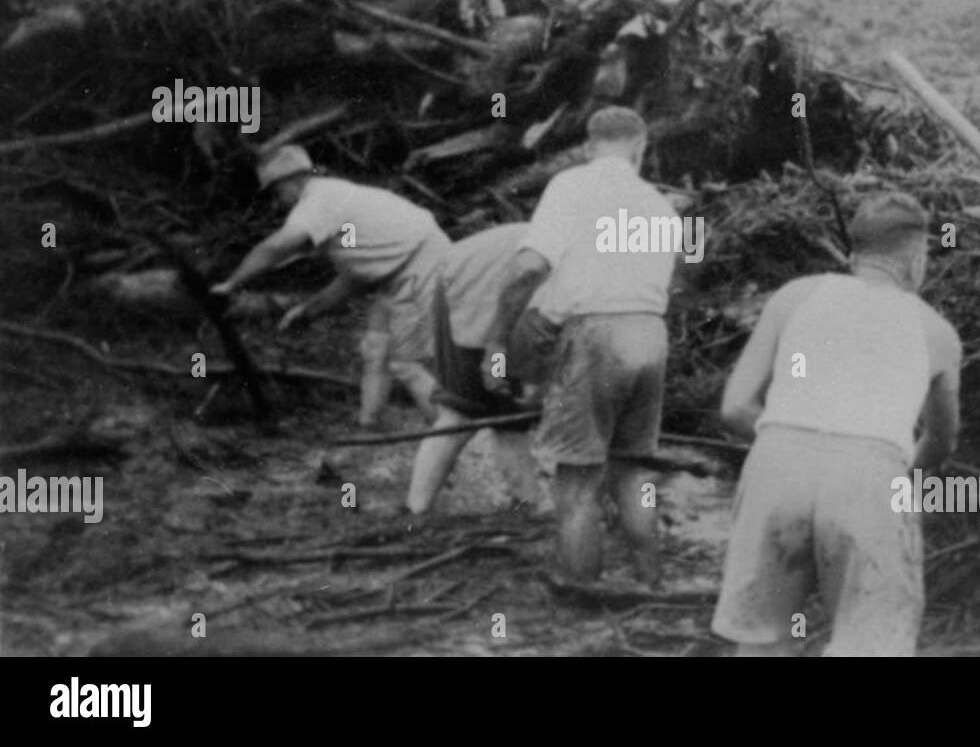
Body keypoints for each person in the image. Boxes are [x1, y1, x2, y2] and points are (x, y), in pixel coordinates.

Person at [710, 191, 962, 656]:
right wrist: (904, 477)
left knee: (763, 640)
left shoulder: (796, 296)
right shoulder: (936, 332)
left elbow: (735, 407)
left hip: (777, 464)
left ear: (853, 255)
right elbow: (942, 438)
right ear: (915, 257)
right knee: (870, 645)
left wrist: (793, 440)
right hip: (870, 473)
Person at [481, 106, 677, 585]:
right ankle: (651, 581)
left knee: (576, 483)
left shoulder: (571, 186)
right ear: (640, 147)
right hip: (651, 333)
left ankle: (582, 596)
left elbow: (528, 269)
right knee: (633, 471)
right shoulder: (662, 205)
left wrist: (495, 343)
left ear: (589, 147)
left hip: (596, 336)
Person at [211, 145, 450, 428]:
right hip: (402, 271)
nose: (278, 202)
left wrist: (231, 283)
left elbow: (277, 246)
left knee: (406, 364)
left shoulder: (319, 200)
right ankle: (369, 425)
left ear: (292, 181)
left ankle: (451, 435)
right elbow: (355, 276)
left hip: (422, 267)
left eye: (277, 192)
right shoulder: (337, 203)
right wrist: (310, 310)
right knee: (376, 350)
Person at [405, 222, 559, 515]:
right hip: (473, 285)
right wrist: (510, 369)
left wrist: (536, 385)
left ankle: (527, 504)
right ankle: (415, 512)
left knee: (510, 414)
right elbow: (525, 305)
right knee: (461, 411)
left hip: (509, 296)